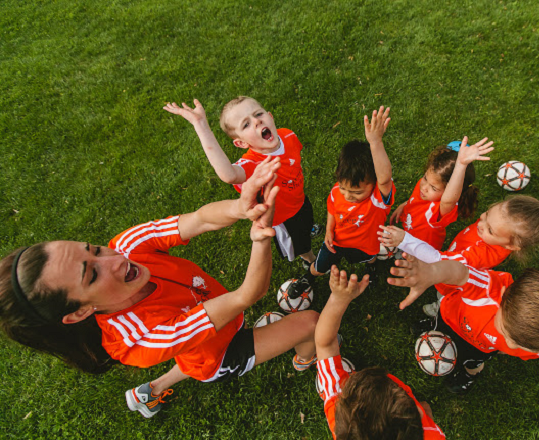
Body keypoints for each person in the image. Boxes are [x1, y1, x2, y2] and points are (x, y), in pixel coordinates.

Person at [0, 158, 319, 418]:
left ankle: (147, 392)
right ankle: (305, 359)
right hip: (220, 354)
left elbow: (198, 220)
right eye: (92, 276)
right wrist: (261, 238)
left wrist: (239, 207)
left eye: (94, 249)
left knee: (189, 348)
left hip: (204, 333)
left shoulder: (127, 246)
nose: (114, 259)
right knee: (310, 323)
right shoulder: (141, 338)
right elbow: (247, 295)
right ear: (81, 311)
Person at [379, 189, 539, 316]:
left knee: (445, 293)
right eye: (486, 215)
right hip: (454, 261)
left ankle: (441, 306)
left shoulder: (482, 255)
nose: (480, 223)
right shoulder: (495, 229)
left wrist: (404, 240)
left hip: (453, 277)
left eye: (490, 229)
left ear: (511, 246)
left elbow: (441, 260)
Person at [387, 253, 539, 394]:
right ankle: (432, 325)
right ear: (505, 300)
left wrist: (500, 348)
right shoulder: (487, 289)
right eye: (507, 334)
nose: (509, 344)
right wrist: (433, 272)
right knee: (440, 325)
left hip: (480, 348)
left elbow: (515, 346)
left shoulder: (535, 343)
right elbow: (460, 272)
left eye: (516, 343)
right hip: (451, 318)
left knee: (473, 361)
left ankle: (468, 374)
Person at [164, 97, 317, 269]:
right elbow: (229, 175)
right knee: (300, 243)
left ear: (270, 116)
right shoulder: (253, 164)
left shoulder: (288, 135)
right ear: (241, 143)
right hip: (283, 218)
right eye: (246, 124)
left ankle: (308, 228)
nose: (257, 121)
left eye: (258, 114)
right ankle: (310, 260)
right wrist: (200, 124)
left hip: (299, 199)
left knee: (306, 217)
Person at [316, 265, 446, 439]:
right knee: (425, 406)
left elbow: (325, 344)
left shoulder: (340, 410)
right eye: (400, 392)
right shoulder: (433, 435)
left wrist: (338, 299)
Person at [284, 106, 395, 305]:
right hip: (336, 242)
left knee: (369, 258)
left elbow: (385, 179)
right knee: (318, 266)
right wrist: (328, 229)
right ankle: (307, 279)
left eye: (357, 192)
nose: (348, 196)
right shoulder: (337, 191)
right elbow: (332, 208)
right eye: (345, 189)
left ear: (374, 185)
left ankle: (371, 268)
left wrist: (376, 142)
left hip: (366, 244)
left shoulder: (377, 200)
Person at [388, 136, 493, 251]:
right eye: (425, 178)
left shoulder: (440, 209)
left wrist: (461, 165)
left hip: (421, 249)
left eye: (434, 188)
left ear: (448, 192)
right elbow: (416, 199)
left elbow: (449, 200)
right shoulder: (426, 185)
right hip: (409, 232)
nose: (424, 187)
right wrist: (405, 205)